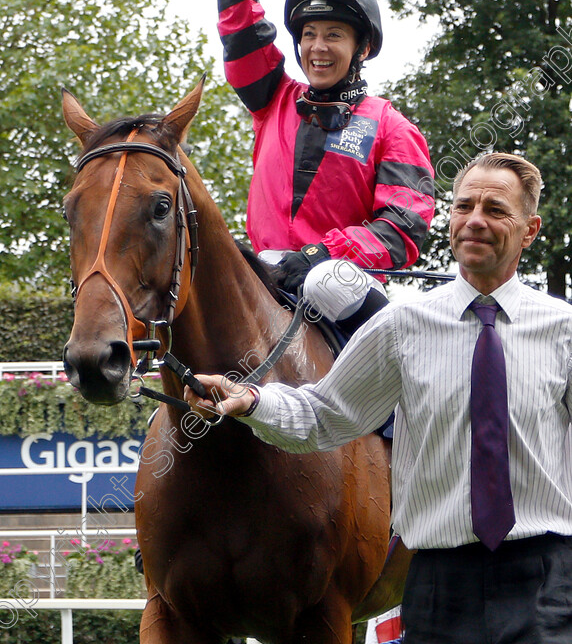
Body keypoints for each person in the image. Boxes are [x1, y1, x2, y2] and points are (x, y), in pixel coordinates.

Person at [185, 152, 572, 643]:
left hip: (545, 581)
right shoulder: (400, 326)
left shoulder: (564, 331)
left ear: (530, 229)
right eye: (463, 206)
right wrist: (252, 401)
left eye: (495, 210)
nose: (474, 221)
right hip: (435, 585)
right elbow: (325, 414)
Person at [217, 0, 435, 332]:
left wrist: (321, 253)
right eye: (309, 35)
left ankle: (390, 406)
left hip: (347, 283)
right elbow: (238, 17)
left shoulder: (392, 128)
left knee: (325, 281)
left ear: (362, 49)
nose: (317, 47)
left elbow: (403, 228)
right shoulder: (273, 98)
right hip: (268, 276)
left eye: (334, 35)